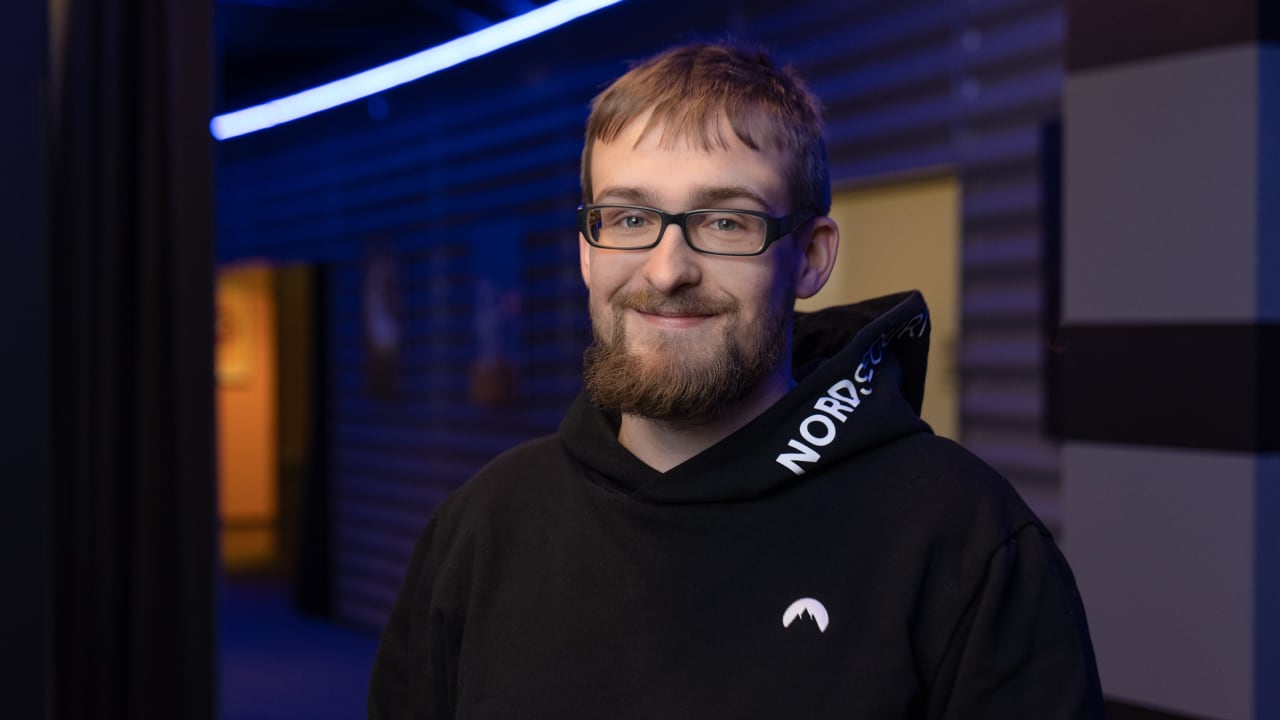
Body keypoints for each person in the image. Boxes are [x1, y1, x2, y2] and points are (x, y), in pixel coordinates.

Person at [368, 40, 1104, 719]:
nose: (666, 270)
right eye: (628, 218)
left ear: (811, 258)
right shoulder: (481, 527)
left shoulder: (964, 539)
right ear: (587, 253)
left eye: (726, 223)